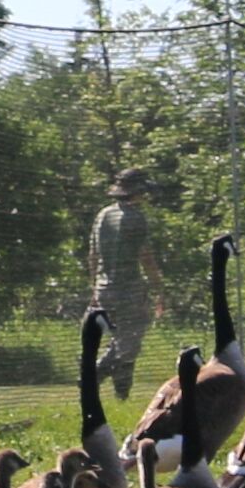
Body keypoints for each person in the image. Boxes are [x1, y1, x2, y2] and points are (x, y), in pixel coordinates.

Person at [83, 168, 152, 398]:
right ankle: (98, 374)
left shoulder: (103, 215)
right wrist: (159, 287)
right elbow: (145, 256)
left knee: (121, 340)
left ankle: (117, 392)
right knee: (130, 341)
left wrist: (94, 286)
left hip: (103, 289)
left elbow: (92, 254)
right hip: (129, 288)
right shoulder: (136, 218)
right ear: (138, 191)